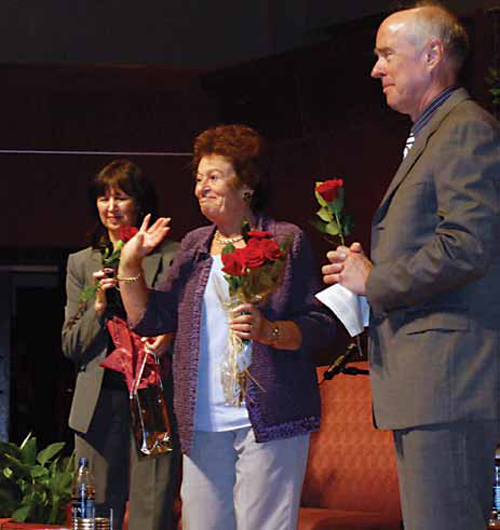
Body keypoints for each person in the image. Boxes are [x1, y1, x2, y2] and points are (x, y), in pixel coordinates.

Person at [322, 3, 500, 530]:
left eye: (386, 55)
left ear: (432, 54)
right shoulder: (434, 131)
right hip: (427, 384)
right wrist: (367, 270)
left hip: (446, 383)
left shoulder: (464, 129)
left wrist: (375, 280)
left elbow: (469, 244)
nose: (376, 69)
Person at [115, 124, 336, 530]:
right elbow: (151, 318)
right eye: (198, 179)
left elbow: (322, 325)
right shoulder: (194, 246)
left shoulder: (285, 239)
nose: (201, 187)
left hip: (270, 416)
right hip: (202, 422)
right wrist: (130, 263)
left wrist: (268, 330)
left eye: (213, 176)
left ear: (246, 184)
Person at [62, 159, 180, 530]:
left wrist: (170, 336)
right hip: (97, 404)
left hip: (152, 399)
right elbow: (71, 344)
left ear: (140, 203)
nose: (110, 207)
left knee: (152, 510)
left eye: (121, 197)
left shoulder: (172, 255)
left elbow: (187, 323)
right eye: (103, 198)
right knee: (95, 515)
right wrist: (97, 307)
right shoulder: (82, 263)